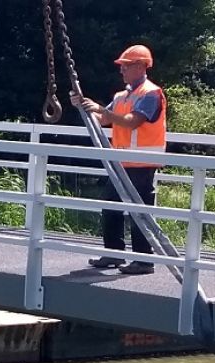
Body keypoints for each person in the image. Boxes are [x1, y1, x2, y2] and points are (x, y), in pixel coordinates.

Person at [73, 44, 166, 275]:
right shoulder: (123, 95)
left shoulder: (151, 93)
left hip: (142, 162)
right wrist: (84, 107)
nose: (121, 70)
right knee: (111, 205)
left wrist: (101, 110)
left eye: (125, 66)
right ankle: (114, 254)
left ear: (139, 66)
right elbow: (104, 120)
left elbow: (131, 121)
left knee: (139, 212)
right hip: (121, 162)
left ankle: (143, 261)